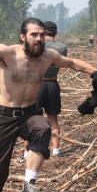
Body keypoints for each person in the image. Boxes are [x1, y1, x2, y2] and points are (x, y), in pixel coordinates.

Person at [0, 18, 97, 192]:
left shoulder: (48, 56)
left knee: (43, 128)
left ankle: (29, 185)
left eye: (41, 34)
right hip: (4, 116)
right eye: (34, 34)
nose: (39, 38)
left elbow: (72, 63)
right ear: (23, 37)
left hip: (29, 113)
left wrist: (96, 72)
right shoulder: (7, 53)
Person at [21, 21, 68, 160]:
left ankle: (26, 152)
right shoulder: (62, 47)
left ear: (43, 32)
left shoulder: (38, 46)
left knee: (30, 118)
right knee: (53, 118)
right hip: (53, 84)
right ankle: (56, 150)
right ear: (55, 32)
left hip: (37, 85)